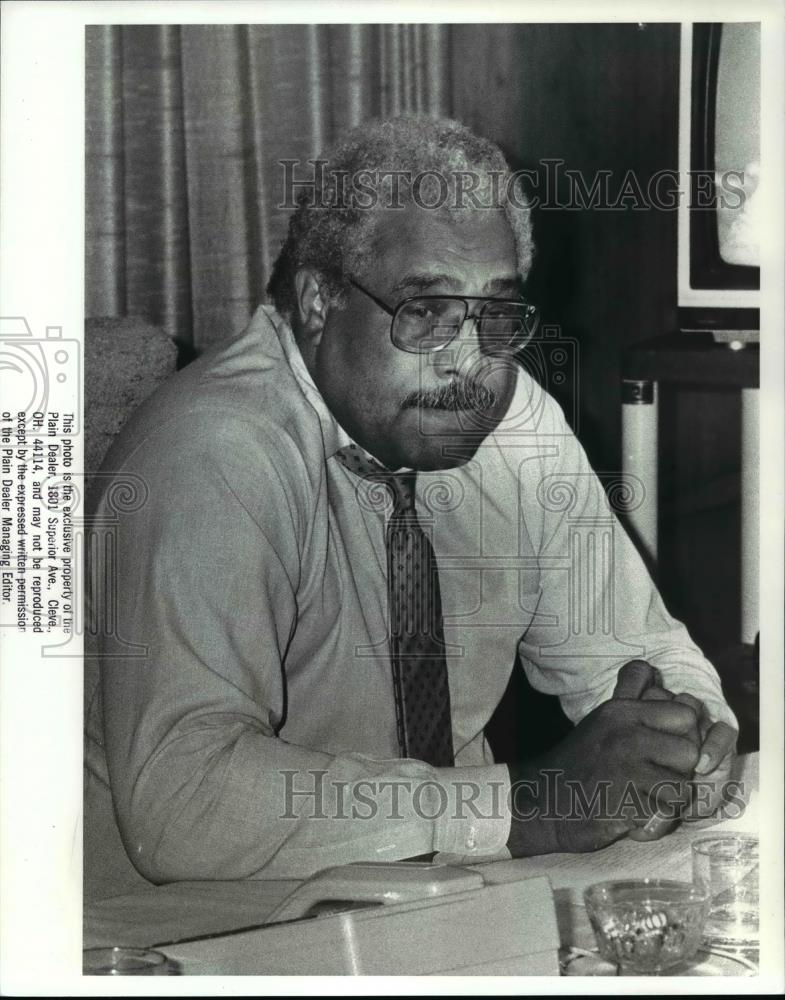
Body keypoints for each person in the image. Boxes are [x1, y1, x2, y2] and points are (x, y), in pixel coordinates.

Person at [84, 116, 737, 899]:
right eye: (423, 312)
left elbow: (637, 654)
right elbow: (182, 803)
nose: (468, 362)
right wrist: (524, 806)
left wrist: (678, 740)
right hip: (187, 930)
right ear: (320, 300)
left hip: (438, 902)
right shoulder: (215, 451)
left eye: (494, 314)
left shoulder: (509, 419)